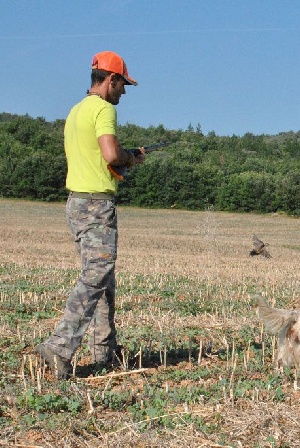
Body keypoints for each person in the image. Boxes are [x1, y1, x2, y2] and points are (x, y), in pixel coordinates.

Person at [35, 51, 145, 379]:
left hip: (77, 204)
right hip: (96, 205)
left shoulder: (76, 110)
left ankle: (105, 351)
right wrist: (130, 157)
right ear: (110, 80)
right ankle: (59, 346)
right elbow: (111, 154)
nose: (123, 91)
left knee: (102, 279)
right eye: (122, 84)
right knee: (97, 274)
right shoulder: (103, 109)